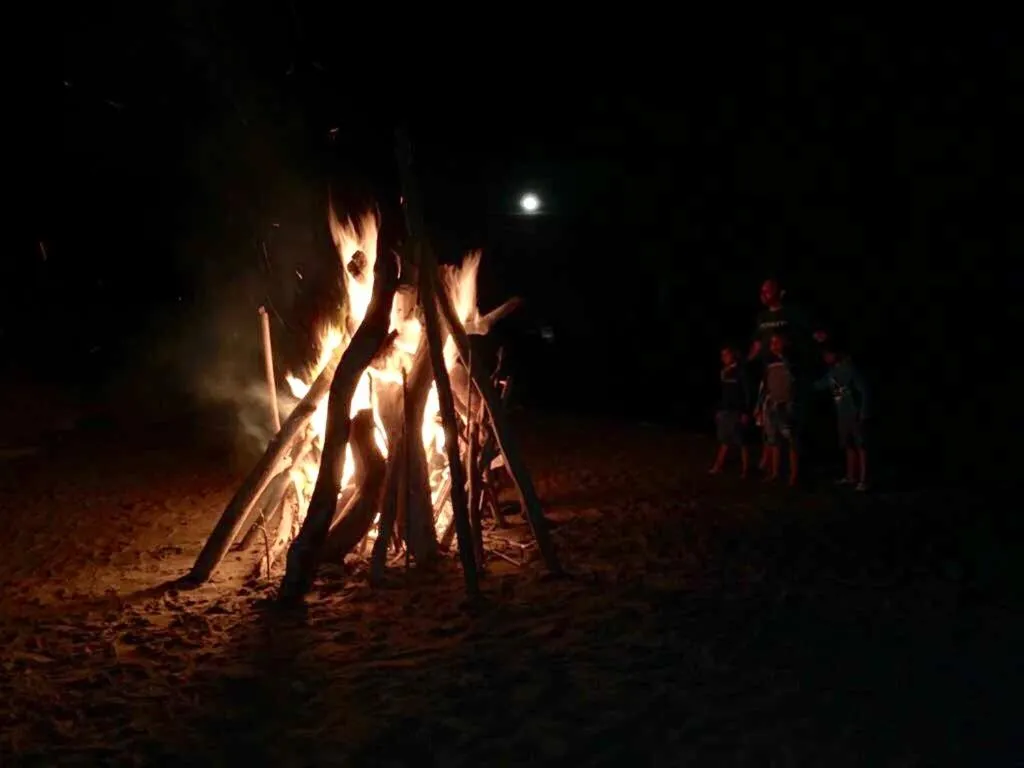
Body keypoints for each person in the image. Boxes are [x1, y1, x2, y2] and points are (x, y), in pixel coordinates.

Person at [814, 343, 869, 491]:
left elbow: (862, 390)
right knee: (848, 444)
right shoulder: (833, 372)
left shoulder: (850, 368)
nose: (825, 358)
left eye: (827, 355)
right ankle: (851, 476)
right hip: (842, 412)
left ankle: (863, 479)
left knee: (860, 445)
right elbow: (825, 386)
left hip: (854, 412)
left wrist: (863, 411)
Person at [754, 333, 800, 486]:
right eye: (772, 342)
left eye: (777, 342)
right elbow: (764, 386)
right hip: (771, 404)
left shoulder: (791, 362)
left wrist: (791, 403)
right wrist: (759, 406)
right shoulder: (768, 363)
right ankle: (774, 473)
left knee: (791, 441)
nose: (773, 345)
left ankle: (794, 475)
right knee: (773, 440)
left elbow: (794, 381)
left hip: (785, 405)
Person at [709, 346, 751, 477]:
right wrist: (719, 409)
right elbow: (723, 393)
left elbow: (746, 392)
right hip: (725, 411)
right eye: (722, 355)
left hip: (737, 411)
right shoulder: (724, 372)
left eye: (726, 354)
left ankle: (745, 470)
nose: (723, 358)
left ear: (733, 355)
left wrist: (745, 411)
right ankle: (718, 466)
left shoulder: (740, 371)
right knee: (724, 440)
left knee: (742, 442)